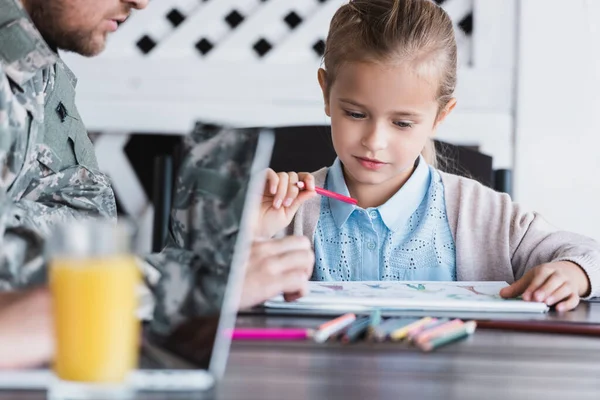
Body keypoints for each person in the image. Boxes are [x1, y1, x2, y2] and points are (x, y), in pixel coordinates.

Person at [257, 0, 600, 312]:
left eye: (402, 122)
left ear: (440, 116)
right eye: (356, 114)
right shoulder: (286, 213)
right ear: (326, 92)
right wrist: (249, 231)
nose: (374, 141)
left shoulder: (485, 216)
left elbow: (592, 257)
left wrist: (572, 273)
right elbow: (211, 286)